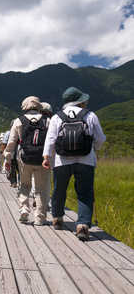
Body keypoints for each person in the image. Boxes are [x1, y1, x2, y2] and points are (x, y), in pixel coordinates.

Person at [42, 87, 106, 241]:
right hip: (86, 160)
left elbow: (50, 138)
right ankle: (83, 226)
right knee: (85, 193)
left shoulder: (57, 117)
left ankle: (57, 218)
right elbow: (100, 138)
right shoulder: (90, 115)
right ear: (80, 101)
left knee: (59, 189)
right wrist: (94, 148)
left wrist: (46, 156)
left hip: (61, 160)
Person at [4, 96, 50, 226]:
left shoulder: (19, 121)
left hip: (24, 158)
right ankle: (40, 218)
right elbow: (52, 140)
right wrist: (49, 158)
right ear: (38, 106)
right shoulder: (47, 120)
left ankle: (24, 208)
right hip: (42, 159)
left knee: (24, 185)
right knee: (41, 189)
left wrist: (7, 159)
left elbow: (11, 142)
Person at [2, 120, 18, 186]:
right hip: (19, 152)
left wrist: (4, 152)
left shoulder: (8, 133)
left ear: (11, 125)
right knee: (19, 168)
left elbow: (4, 144)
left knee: (12, 167)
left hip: (11, 152)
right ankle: (21, 182)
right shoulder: (21, 132)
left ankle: (13, 182)